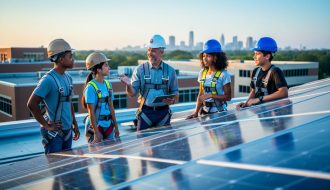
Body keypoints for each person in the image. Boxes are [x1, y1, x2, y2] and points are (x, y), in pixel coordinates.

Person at [27, 39, 80, 154]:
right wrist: (46, 125)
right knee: (56, 169)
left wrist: (75, 124)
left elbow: (68, 102)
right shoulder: (48, 80)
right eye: (70, 56)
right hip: (54, 135)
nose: (73, 59)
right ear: (61, 59)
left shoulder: (68, 78)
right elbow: (31, 104)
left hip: (67, 131)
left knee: (66, 167)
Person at [119, 34, 179, 131]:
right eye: (149, 50)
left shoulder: (170, 71)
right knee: (144, 143)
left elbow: (175, 93)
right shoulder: (140, 70)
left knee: (165, 144)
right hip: (146, 114)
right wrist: (128, 85)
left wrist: (173, 100)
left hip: (163, 114)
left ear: (162, 51)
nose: (150, 53)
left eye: (153, 50)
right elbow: (132, 93)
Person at [237, 37, 288, 109]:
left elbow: (284, 93)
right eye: (254, 54)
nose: (254, 57)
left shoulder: (275, 72)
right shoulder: (255, 71)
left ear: (267, 56)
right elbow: (253, 91)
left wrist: (259, 99)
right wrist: (246, 104)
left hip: (273, 113)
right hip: (261, 113)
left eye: (257, 54)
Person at [186, 39, 232, 119]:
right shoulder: (202, 73)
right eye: (204, 56)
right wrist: (196, 112)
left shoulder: (224, 74)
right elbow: (200, 94)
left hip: (219, 113)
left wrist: (211, 95)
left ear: (215, 58)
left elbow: (228, 97)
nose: (205, 58)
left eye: (208, 56)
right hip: (205, 113)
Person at [81, 52, 119, 144]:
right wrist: (96, 133)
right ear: (98, 69)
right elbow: (91, 112)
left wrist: (116, 127)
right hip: (96, 127)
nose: (109, 68)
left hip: (108, 125)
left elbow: (111, 107)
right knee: (100, 156)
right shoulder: (91, 87)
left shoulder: (108, 84)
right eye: (106, 65)